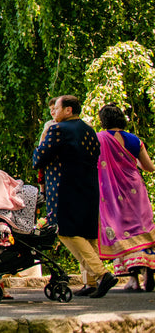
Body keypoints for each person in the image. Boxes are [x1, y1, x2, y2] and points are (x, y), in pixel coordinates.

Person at [33, 94, 118, 298]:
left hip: (64, 188)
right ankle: (92, 281)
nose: (55, 113)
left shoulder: (57, 129)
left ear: (68, 110)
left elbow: (39, 158)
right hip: (89, 187)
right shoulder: (89, 130)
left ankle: (102, 273)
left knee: (65, 231)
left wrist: (44, 136)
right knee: (88, 235)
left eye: (58, 108)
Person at [96, 104, 155, 291]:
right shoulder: (134, 140)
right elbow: (149, 167)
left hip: (112, 194)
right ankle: (149, 273)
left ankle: (133, 280)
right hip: (135, 190)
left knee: (121, 231)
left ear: (103, 121)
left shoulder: (99, 139)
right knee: (142, 229)